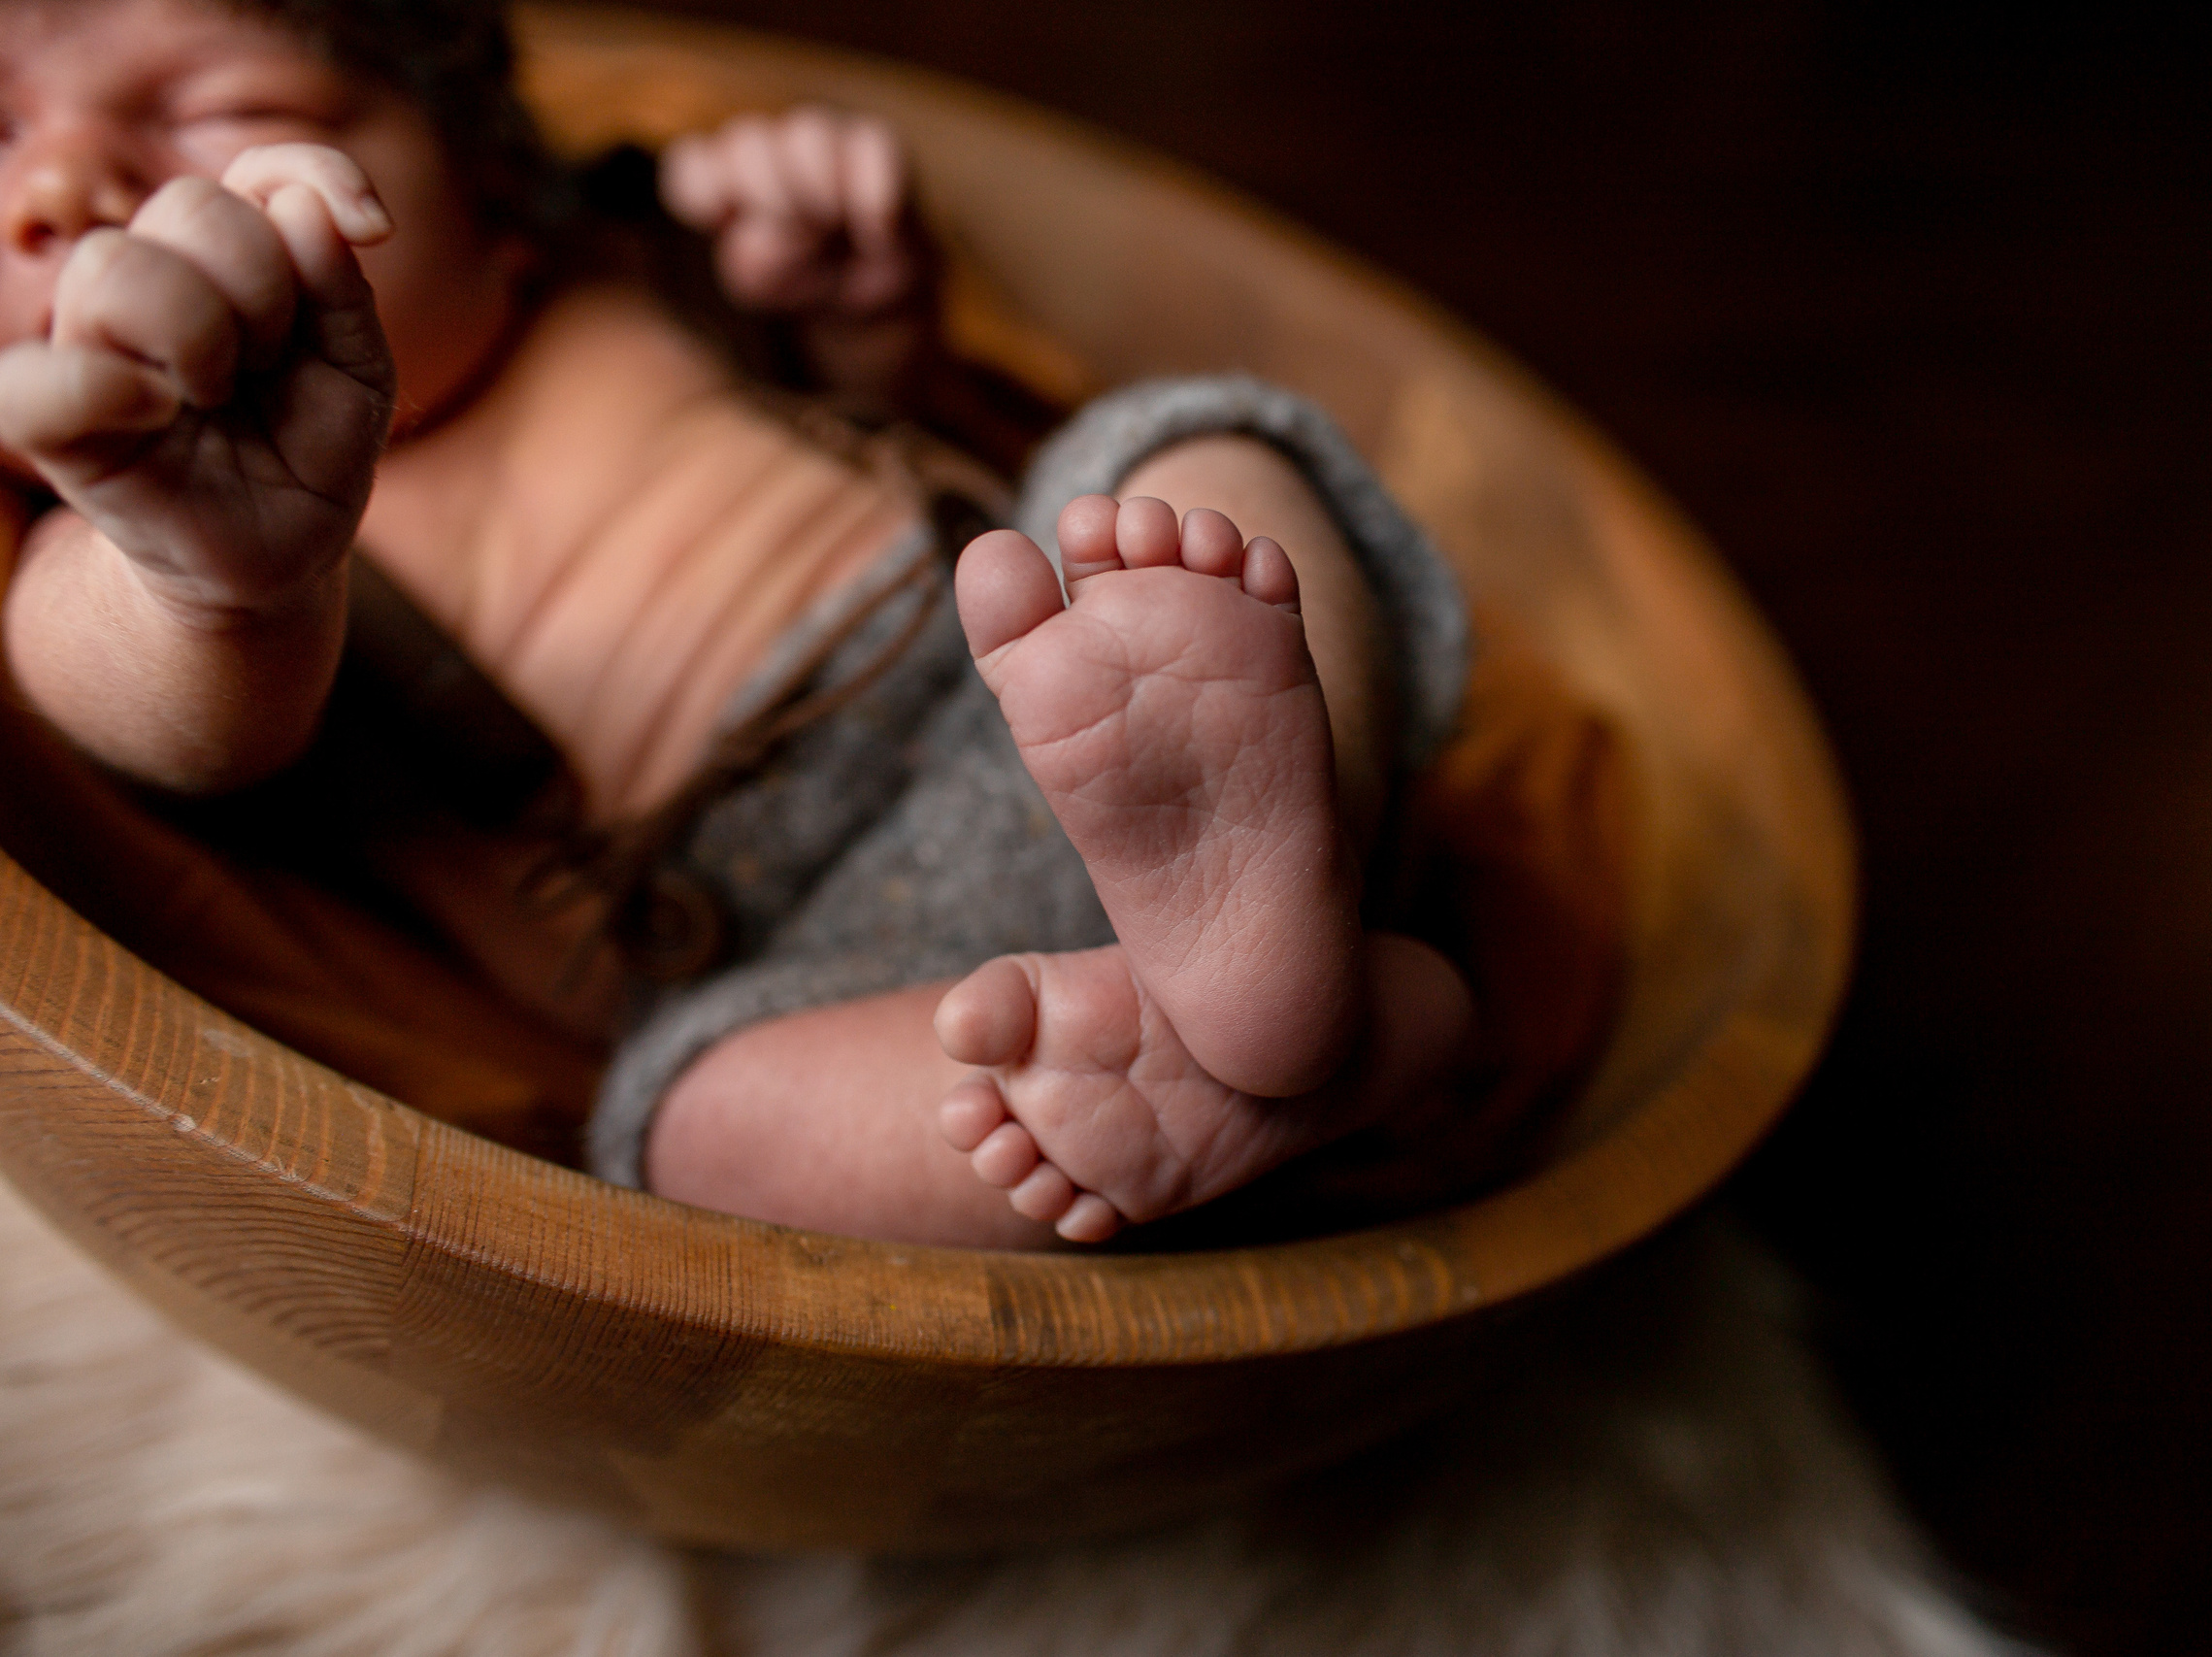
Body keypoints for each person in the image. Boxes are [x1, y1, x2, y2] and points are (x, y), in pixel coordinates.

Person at [0, 0, 1485, 1246]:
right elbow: (163, 712)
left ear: (484, 185)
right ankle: (1224, 1059)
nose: (69, 183)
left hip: (1053, 668)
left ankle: (1287, 868)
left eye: (208, 106)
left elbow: (904, 421)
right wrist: (203, 577)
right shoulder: (119, 536)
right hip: (850, 969)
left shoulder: (629, 272)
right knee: (689, 1123)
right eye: (1, 140)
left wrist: (859, 326)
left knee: (1177, 457)